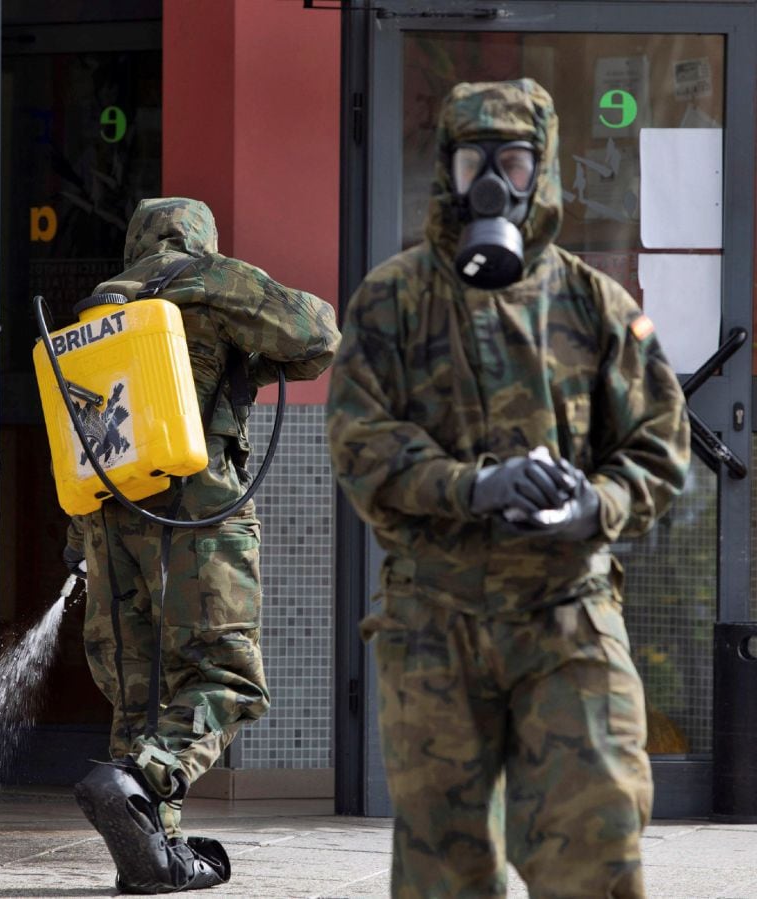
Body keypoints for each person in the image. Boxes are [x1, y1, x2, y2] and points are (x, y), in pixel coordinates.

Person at [325, 79, 690, 897]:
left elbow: (661, 445)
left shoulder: (597, 304)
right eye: (473, 161)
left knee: (595, 841)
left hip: (567, 617)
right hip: (434, 619)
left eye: (515, 162)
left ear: (544, 172)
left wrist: (593, 504)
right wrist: (473, 486)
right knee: (444, 867)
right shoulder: (392, 301)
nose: (493, 183)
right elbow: (360, 442)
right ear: (446, 173)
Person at [65, 196, 339, 893]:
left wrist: (79, 543)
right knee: (226, 674)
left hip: (107, 517)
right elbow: (317, 336)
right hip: (199, 511)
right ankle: (141, 780)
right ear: (200, 238)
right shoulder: (211, 279)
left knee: (141, 692)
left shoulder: (99, 307)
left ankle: (155, 851)